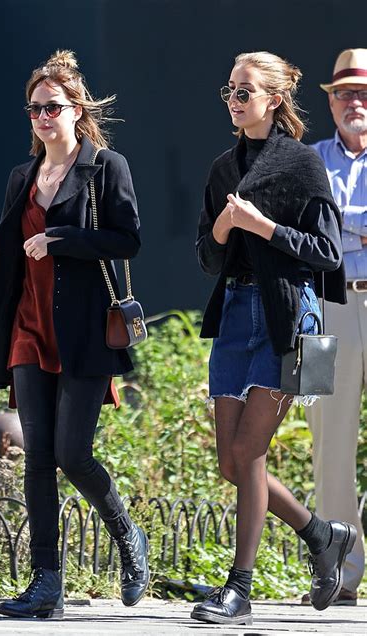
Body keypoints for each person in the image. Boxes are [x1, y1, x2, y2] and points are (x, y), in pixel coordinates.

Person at [0, 49, 149, 619]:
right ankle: (47, 584)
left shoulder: (105, 167)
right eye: (34, 109)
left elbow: (128, 240)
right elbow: (4, 267)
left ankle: (127, 535)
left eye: (53, 107)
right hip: (27, 325)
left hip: (84, 329)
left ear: (77, 109)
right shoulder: (23, 176)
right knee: (38, 455)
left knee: (72, 453)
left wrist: (62, 239)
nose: (42, 117)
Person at [192, 51, 357, 626]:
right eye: (230, 91)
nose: (235, 101)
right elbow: (208, 258)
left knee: (249, 452)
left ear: (274, 99)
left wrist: (264, 227)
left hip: (289, 316)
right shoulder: (222, 168)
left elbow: (327, 254)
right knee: (231, 463)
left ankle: (240, 588)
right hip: (236, 314)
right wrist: (223, 225)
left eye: (245, 91)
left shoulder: (301, 165)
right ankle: (323, 534)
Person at [304, 48, 367, 606]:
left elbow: (326, 228)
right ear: (330, 100)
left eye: (364, 93)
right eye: (346, 92)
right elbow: (306, 230)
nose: (356, 102)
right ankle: (339, 571)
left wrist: (338, 227)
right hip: (322, 308)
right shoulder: (309, 159)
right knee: (327, 440)